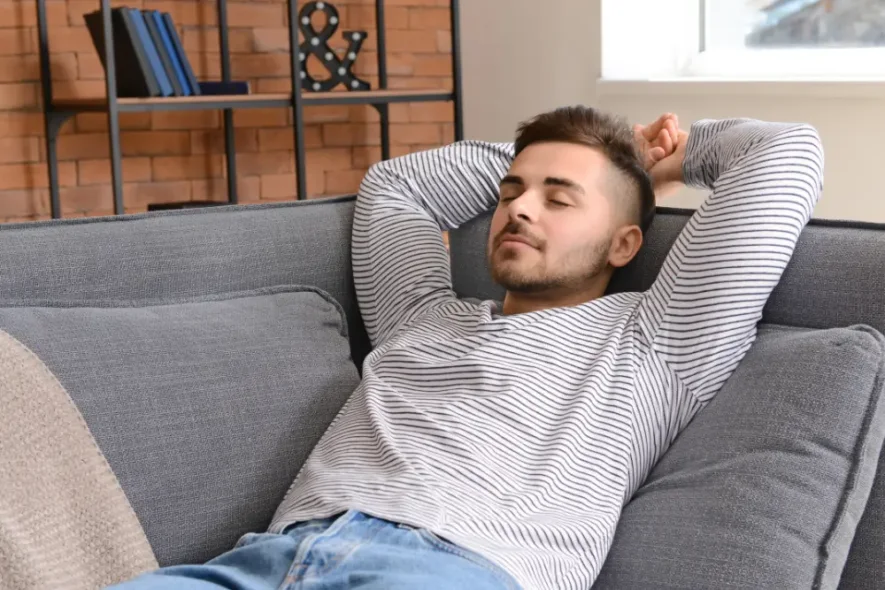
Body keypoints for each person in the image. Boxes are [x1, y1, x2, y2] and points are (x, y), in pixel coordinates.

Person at [110, 107, 824, 590]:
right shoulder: (418, 317)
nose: (516, 206)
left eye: (558, 196)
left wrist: (641, 162)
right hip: (262, 563)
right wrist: (570, 163)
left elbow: (782, 151)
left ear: (624, 243)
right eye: (511, 188)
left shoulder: (655, 344)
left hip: (452, 569)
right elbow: (400, 187)